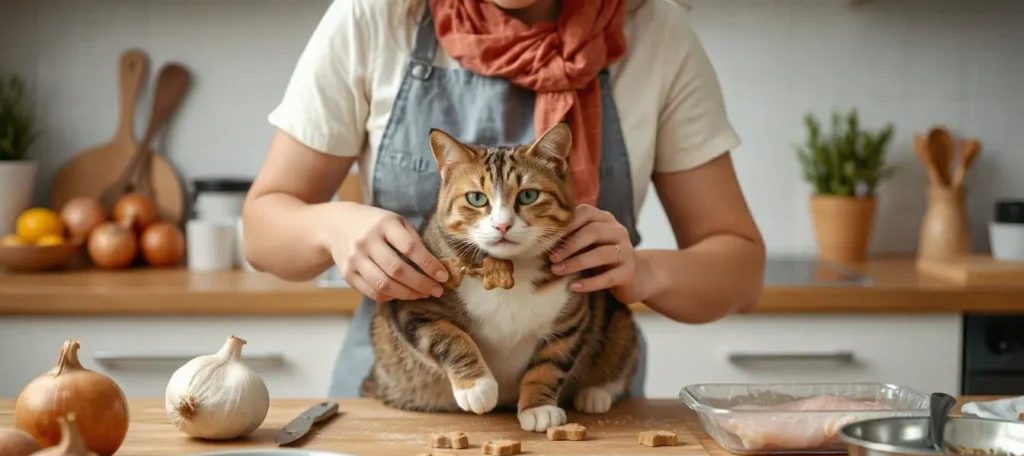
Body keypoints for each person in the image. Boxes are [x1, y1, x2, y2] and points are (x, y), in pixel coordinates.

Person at [242, 0, 766, 399]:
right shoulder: (377, 16)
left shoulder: (656, 32)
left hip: (579, 408)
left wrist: (644, 274)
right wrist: (330, 227)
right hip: (405, 399)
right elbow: (261, 232)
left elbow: (741, 272)